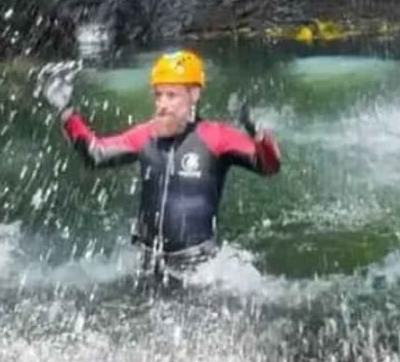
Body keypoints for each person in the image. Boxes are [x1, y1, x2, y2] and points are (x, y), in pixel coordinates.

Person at [41, 50, 281, 275]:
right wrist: (65, 110)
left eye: (172, 95)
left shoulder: (216, 136)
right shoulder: (146, 135)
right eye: (158, 95)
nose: (162, 104)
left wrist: (256, 131)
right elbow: (96, 155)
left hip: (197, 267)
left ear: (194, 94)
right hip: (148, 261)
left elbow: (269, 166)